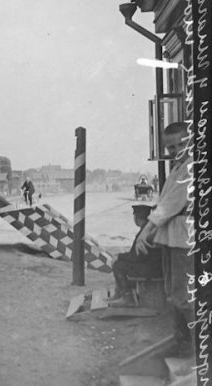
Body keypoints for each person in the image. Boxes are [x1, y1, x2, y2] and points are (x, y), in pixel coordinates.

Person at [134, 122, 192, 355]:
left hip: (186, 239)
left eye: (182, 143)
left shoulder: (191, 168)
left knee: (183, 295)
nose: (177, 149)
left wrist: (145, 231)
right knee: (173, 291)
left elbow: (168, 206)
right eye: (170, 147)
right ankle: (183, 341)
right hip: (173, 238)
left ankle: (197, 348)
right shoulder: (178, 168)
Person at [107, 205, 163, 307]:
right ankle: (120, 294)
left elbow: (136, 257)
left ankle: (127, 298)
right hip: (155, 266)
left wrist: (119, 256)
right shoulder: (148, 229)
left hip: (152, 269)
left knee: (118, 266)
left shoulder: (145, 233)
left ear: (136, 218)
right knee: (120, 262)